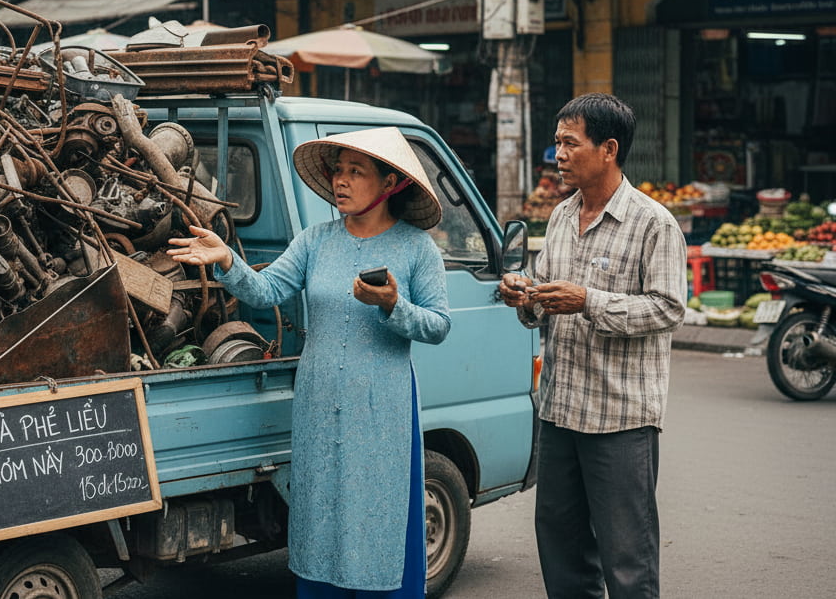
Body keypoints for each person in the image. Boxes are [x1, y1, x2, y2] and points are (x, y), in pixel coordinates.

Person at [168, 126, 450, 597]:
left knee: (377, 516)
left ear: (390, 184)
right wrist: (226, 262)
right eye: (337, 170)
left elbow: (439, 326)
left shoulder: (417, 249)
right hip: (318, 403)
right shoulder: (314, 240)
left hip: (382, 405)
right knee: (320, 513)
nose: (341, 180)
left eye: (355, 171)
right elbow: (267, 290)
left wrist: (392, 305)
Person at [497, 93, 686, 599]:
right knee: (561, 547)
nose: (558, 153)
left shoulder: (654, 223)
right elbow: (545, 295)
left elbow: (668, 308)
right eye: (556, 142)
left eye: (569, 143)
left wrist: (590, 302)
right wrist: (527, 294)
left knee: (628, 559)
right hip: (560, 410)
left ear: (608, 148)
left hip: (620, 417)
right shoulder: (560, 216)